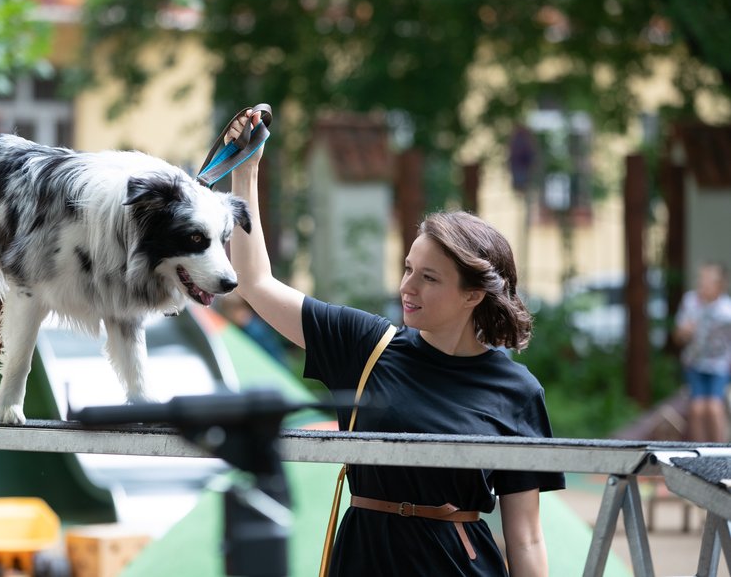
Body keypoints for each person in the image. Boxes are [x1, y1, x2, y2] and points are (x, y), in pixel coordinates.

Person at [226, 109, 565, 576]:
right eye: (408, 269)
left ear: (473, 294)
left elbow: (526, 537)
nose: (408, 287)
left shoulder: (517, 391)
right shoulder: (366, 345)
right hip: (363, 560)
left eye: (428, 278)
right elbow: (254, 282)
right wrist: (246, 172)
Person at [674, 261, 731, 443]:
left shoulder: (726, 310)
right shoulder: (690, 302)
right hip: (695, 364)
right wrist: (685, 332)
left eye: (708, 281)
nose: (702, 285)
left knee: (714, 407)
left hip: (719, 366)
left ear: (720, 285)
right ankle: (700, 452)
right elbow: (678, 337)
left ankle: (721, 452)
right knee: (697, 408)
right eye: (701, 280)